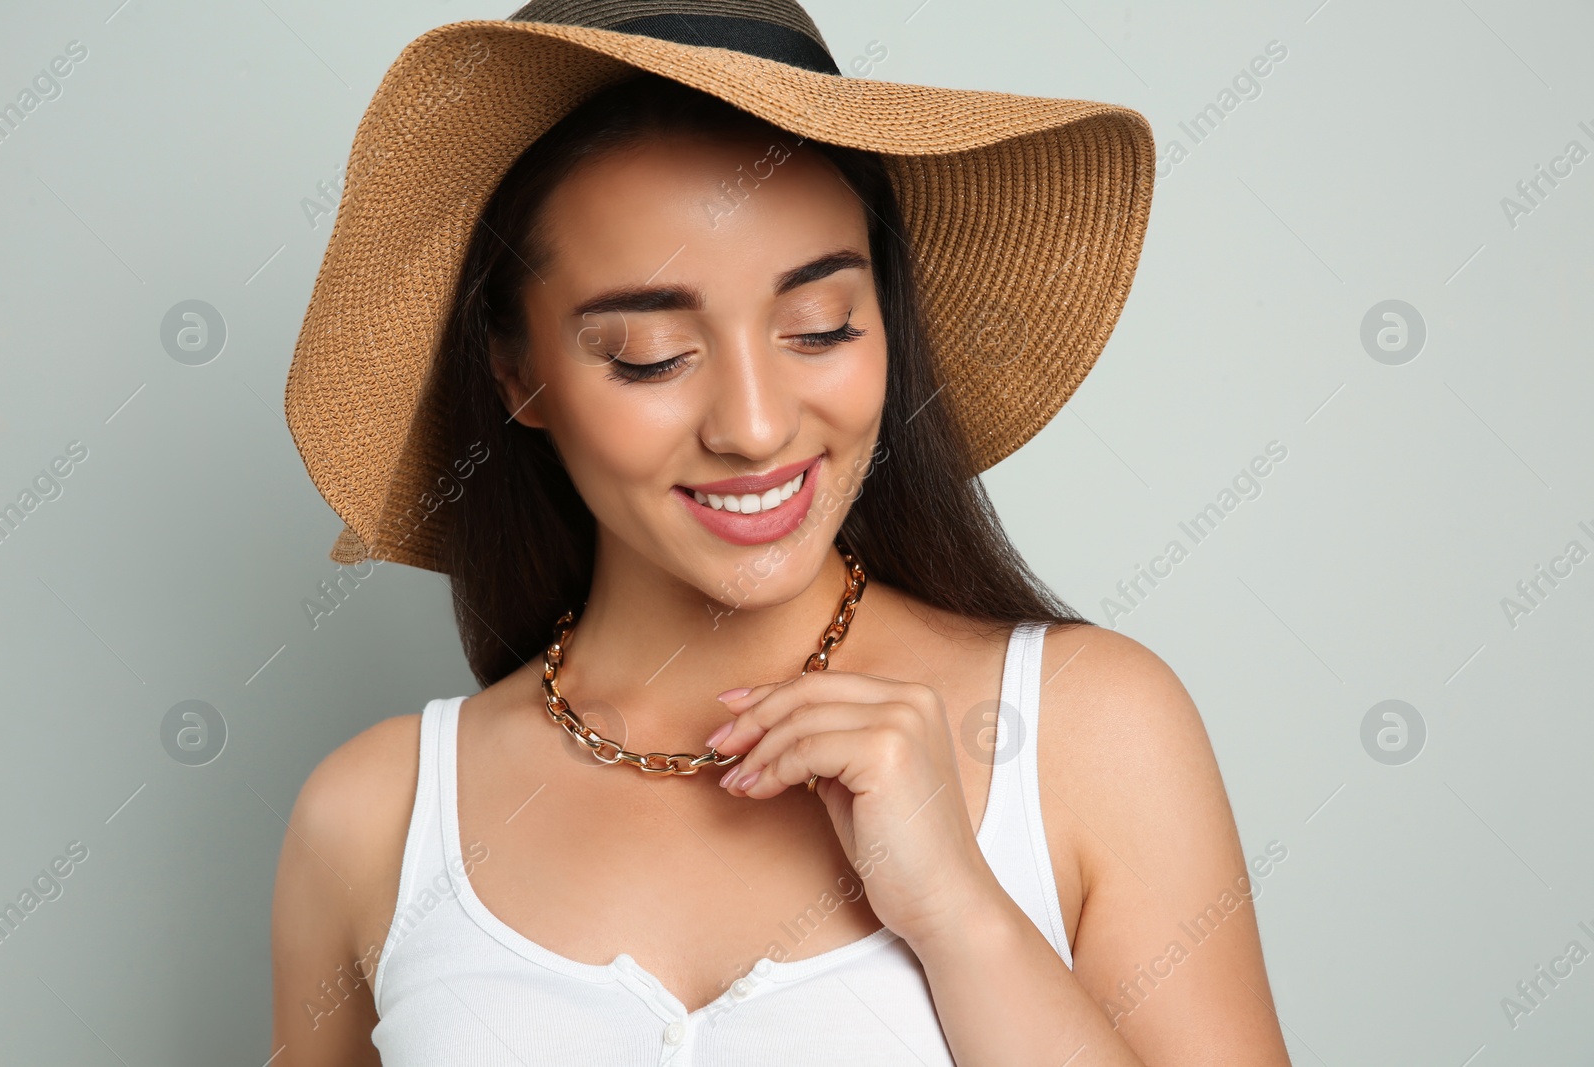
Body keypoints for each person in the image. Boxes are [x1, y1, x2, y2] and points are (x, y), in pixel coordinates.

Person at [272, 3, 1294, 1064]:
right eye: (651, 354)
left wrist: (962, 916)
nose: (754, 425)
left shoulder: (1090, 731)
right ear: (518, 373)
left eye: (821, 328)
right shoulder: (374, 819)